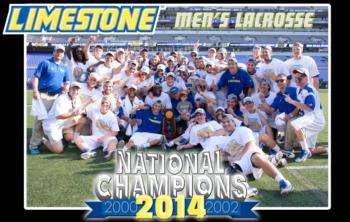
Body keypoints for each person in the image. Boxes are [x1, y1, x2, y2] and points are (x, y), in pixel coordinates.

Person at [220, 114, 293, 195]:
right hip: (242, 162)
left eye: (228, 121)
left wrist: (238, 156)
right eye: (223, 122)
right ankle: (247, 189)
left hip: (250, 154)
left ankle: (284, 182)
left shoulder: (242, 130)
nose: (226, 124)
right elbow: (223, 155)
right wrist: (229, 158)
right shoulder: (225, 141)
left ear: (233, 122)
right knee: (229, 171)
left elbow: (250, 143)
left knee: (256, 157)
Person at [29, 44, 70, 154]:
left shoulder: (64, 67)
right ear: (53, 52)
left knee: (56, 119)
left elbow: (67, 80)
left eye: (61, 52)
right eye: (57, 51)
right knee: (40, 121)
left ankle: (52, 140)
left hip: (57, 97)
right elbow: (36, 77)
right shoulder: (45, 63)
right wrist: (35, 90)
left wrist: (66, 85)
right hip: (44, 96)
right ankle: (34, 145)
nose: (59, 54)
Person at [284, 68, 325, 162]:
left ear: (307, 78)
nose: (297, 78)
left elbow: (309, 108)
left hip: (314, 119)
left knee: (296, 125)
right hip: (310, 118)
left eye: (300, 77)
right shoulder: (299, 88)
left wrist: (292, 101)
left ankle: (305, 151)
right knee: (312, 150)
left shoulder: (308, 90)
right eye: (296, 76)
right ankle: (325, 150)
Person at [42, 82, 95, 154]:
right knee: (58, 150)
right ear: (69, 90)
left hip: (64, 123)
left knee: (82, 120)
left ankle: (75, 138)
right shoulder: (61, 98)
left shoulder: (77, 98)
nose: (75, 92)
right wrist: (73, 114)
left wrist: (89, 102)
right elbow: (59, 116)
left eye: (77, 90)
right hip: (52, 125)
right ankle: (43, 140)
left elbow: (79, 109)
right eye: (73, 89)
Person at [260, 74, 299, 146]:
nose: (279, 82)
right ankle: (282, 141)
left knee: (290, 123)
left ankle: (289, 144)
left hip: (296, 117)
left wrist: (291, 115)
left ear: (286, 81)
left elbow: (299, 106)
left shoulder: (294, 91)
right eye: (277, 81)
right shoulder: (278, 96)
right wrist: (263, 100)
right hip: (286, 118)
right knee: (278, 119)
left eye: (282, 80)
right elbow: (270, 110)